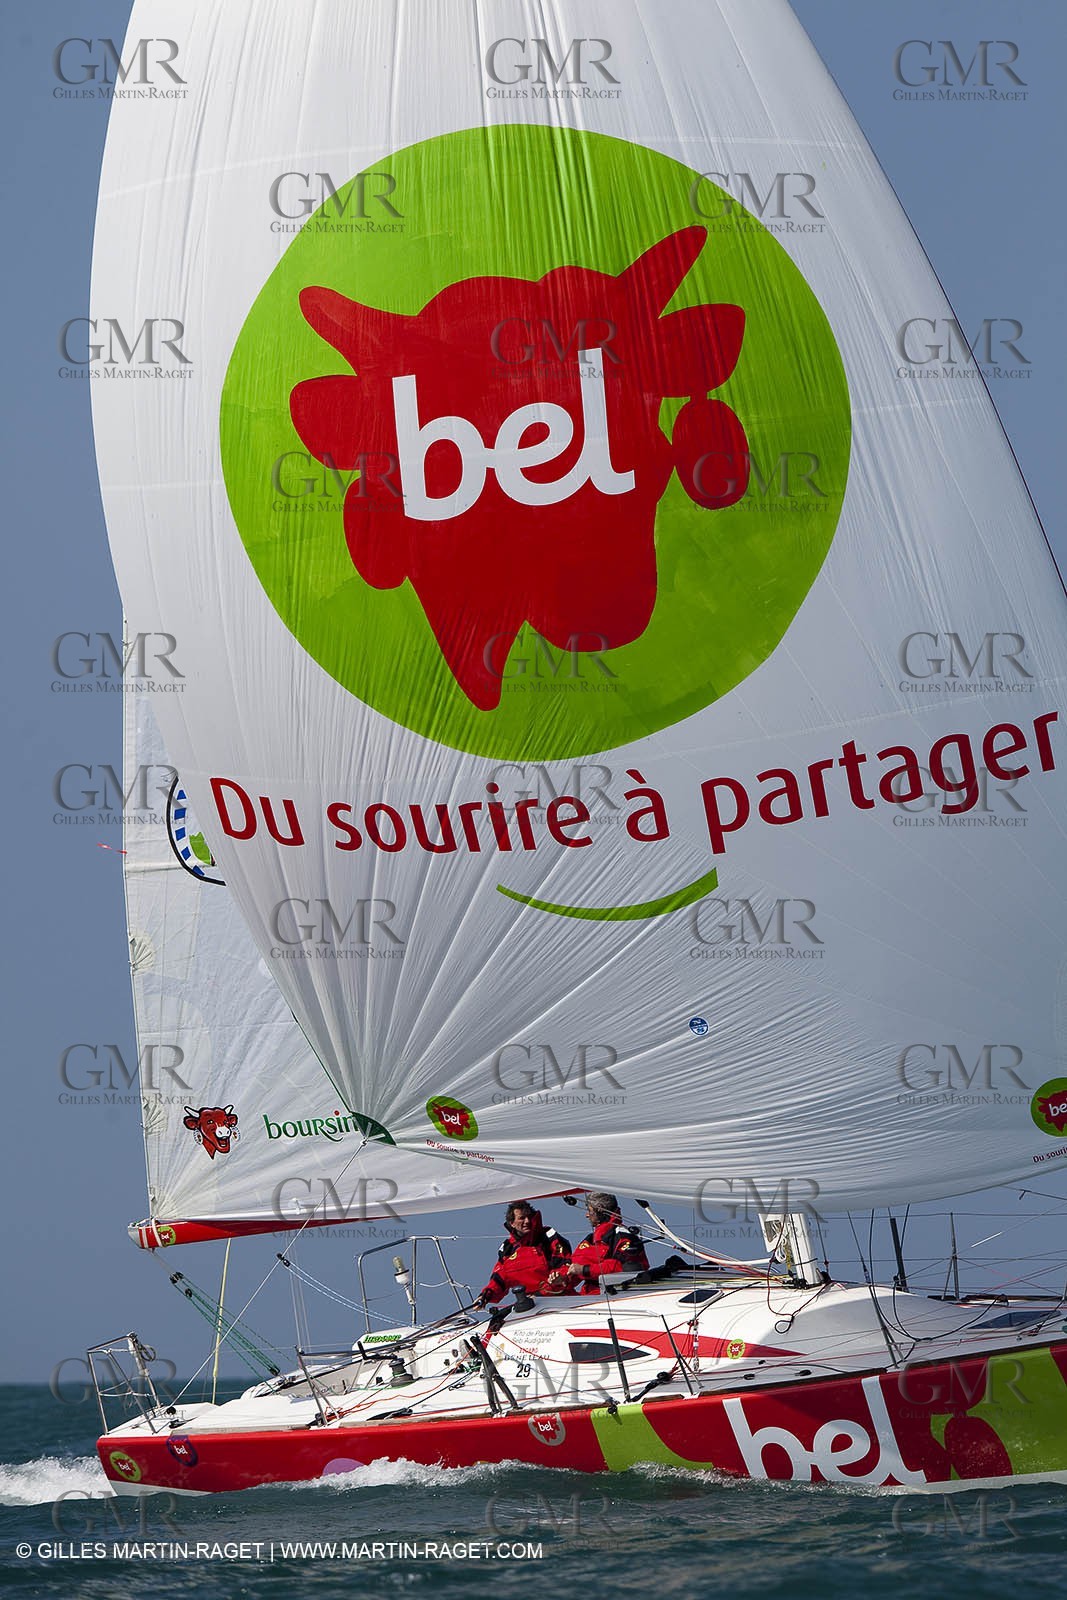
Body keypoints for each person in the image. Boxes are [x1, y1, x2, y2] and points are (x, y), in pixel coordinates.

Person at [473, 1201, 572, 1307]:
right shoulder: (508, 1249)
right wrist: (485, 1296)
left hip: (560, 1300)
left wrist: (558, 1278)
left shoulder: (547, 1237)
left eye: (529, 1217)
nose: (527, 1221)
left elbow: (564, 1263)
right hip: (530, 1306)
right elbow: (499, 1279)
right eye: (522, 1218)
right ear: (512, 1223)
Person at [556, 1192, 648, 1295]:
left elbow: (622, 1267)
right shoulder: (591, 1239)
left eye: (589, 1210)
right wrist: (561, 1278)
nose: (587, 1215)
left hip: (616, 1296)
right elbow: (574, 1265)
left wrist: (585, 1270)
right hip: (589, 1298)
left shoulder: (624, 1236)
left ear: (599, 1209)